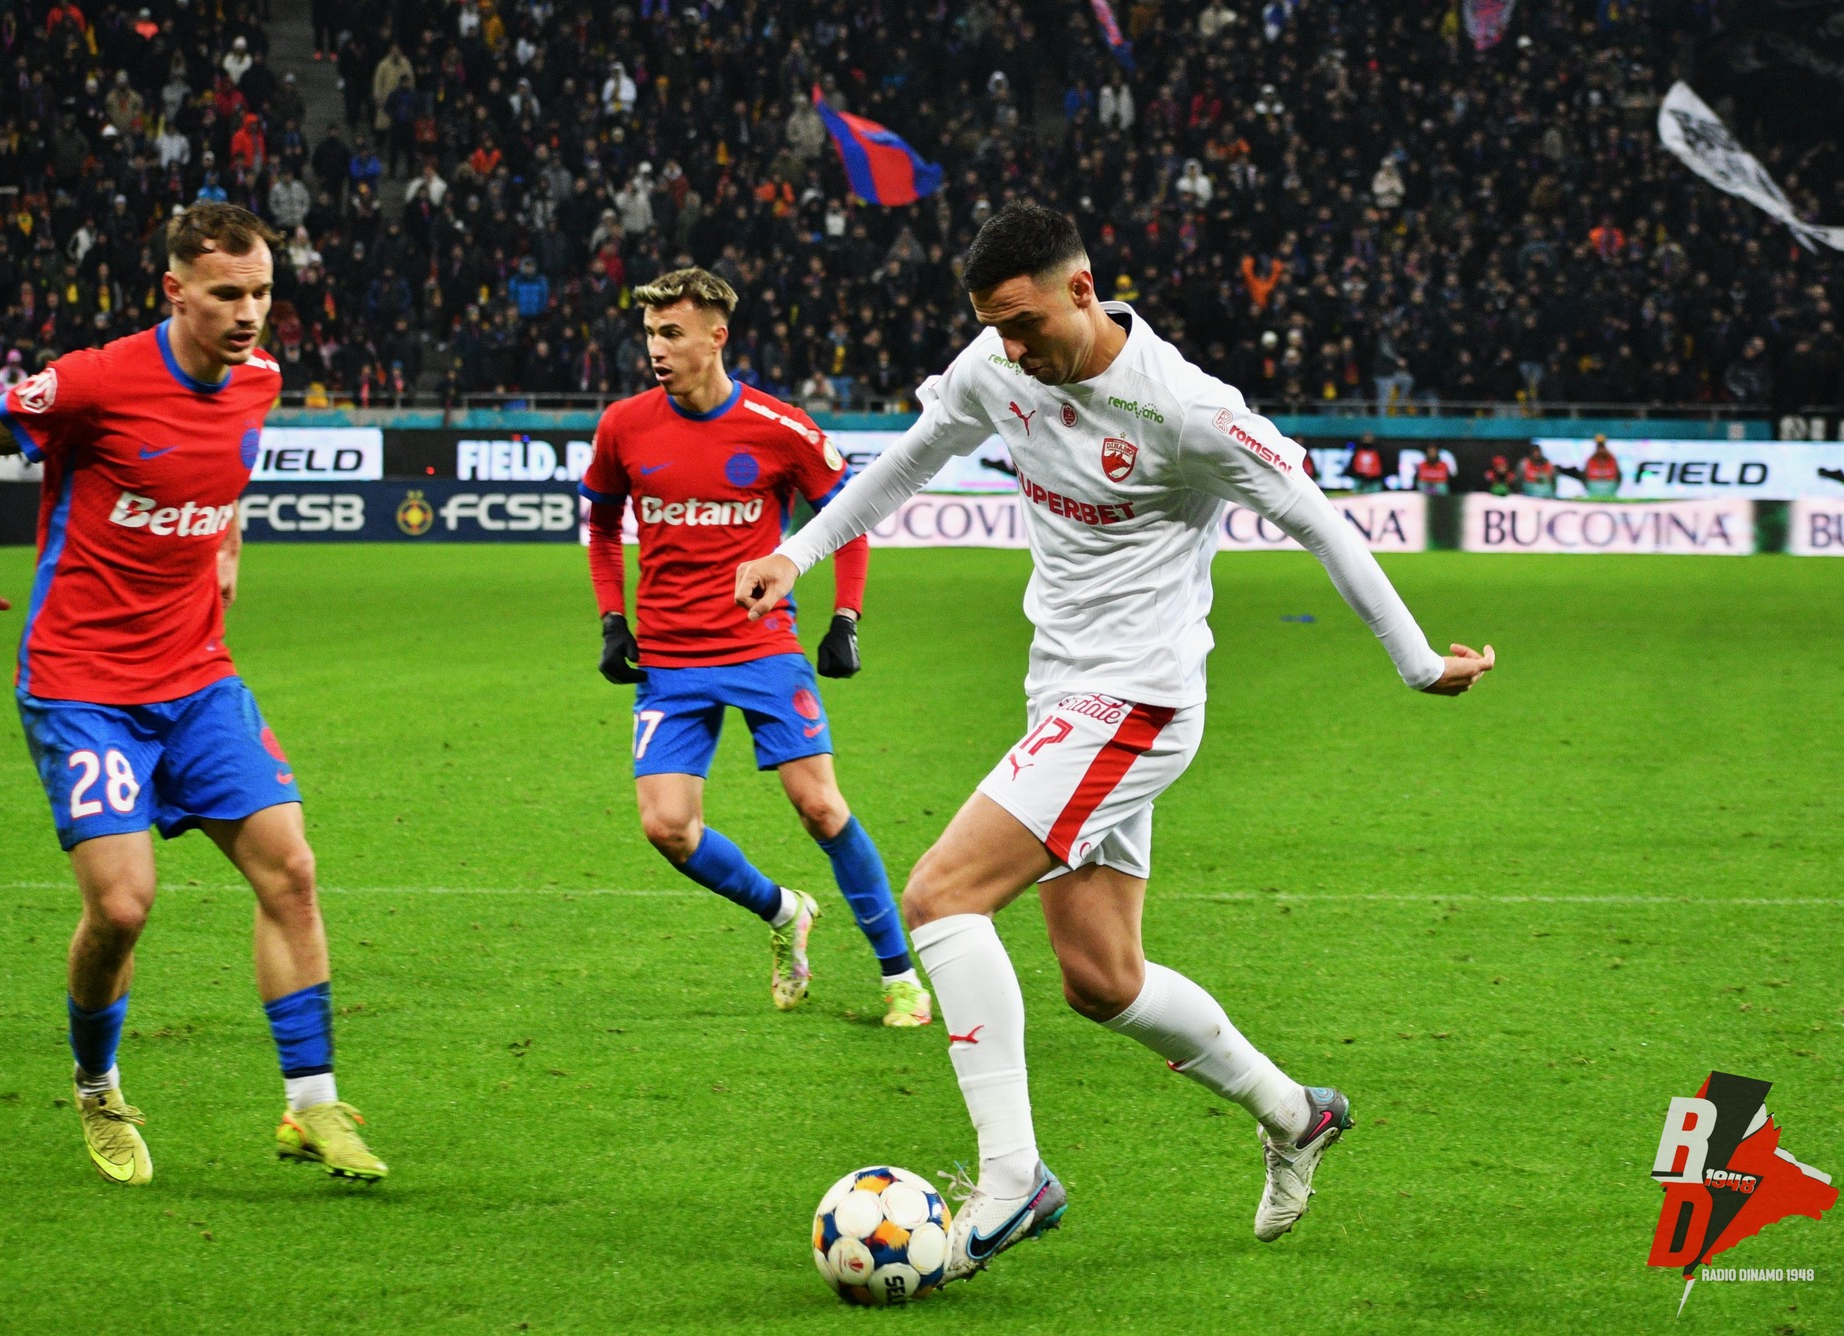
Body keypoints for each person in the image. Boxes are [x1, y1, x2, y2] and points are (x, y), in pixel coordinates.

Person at [733, 203, 1493, 1281]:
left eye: (1023, 322)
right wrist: (797, 555)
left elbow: (1316, 519)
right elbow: (910, 460)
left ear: (1082, 290)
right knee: (1100, 977)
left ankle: (1013, 1180)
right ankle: (1297, 1113)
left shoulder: (1185, 408)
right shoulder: (998, 368)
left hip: (1138, 702)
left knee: (940, 897)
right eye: (992, 327)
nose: (1009, 348)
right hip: (1061, 695)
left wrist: (1417, 662)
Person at [0, 202, 387, 1188]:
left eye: (261, 293)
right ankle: (97, 1084)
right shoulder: (97, 381)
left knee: (291, 871)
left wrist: (227, 544)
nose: (249, 313)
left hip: (197, 678)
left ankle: (311, 1104)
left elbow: (222, 477)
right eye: (227, 294)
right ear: (175, 291)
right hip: (81, 684)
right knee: (124, 905)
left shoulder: (259, 380)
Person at [581, 267, 931, 1027]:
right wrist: (612, 620)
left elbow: (850, 519)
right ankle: (783, 912)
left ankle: (899, 974)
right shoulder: (623, 426)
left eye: (672, 333)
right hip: (669, 659)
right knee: (667, 828)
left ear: (717, 337)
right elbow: (603, 527)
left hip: (761, 647)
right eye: (650, 334)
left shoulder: (782, 428)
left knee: (822, 809)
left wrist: (845, 617)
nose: (656, 349)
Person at [1583, 434, 1621, 499]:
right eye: (1599, 446)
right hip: (1594, 487)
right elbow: (1585, 476)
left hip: (1609, 487)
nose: (1601, 449)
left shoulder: (1611, 459)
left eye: (1602, 446)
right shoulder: (1591, 460)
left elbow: (1618, 476)